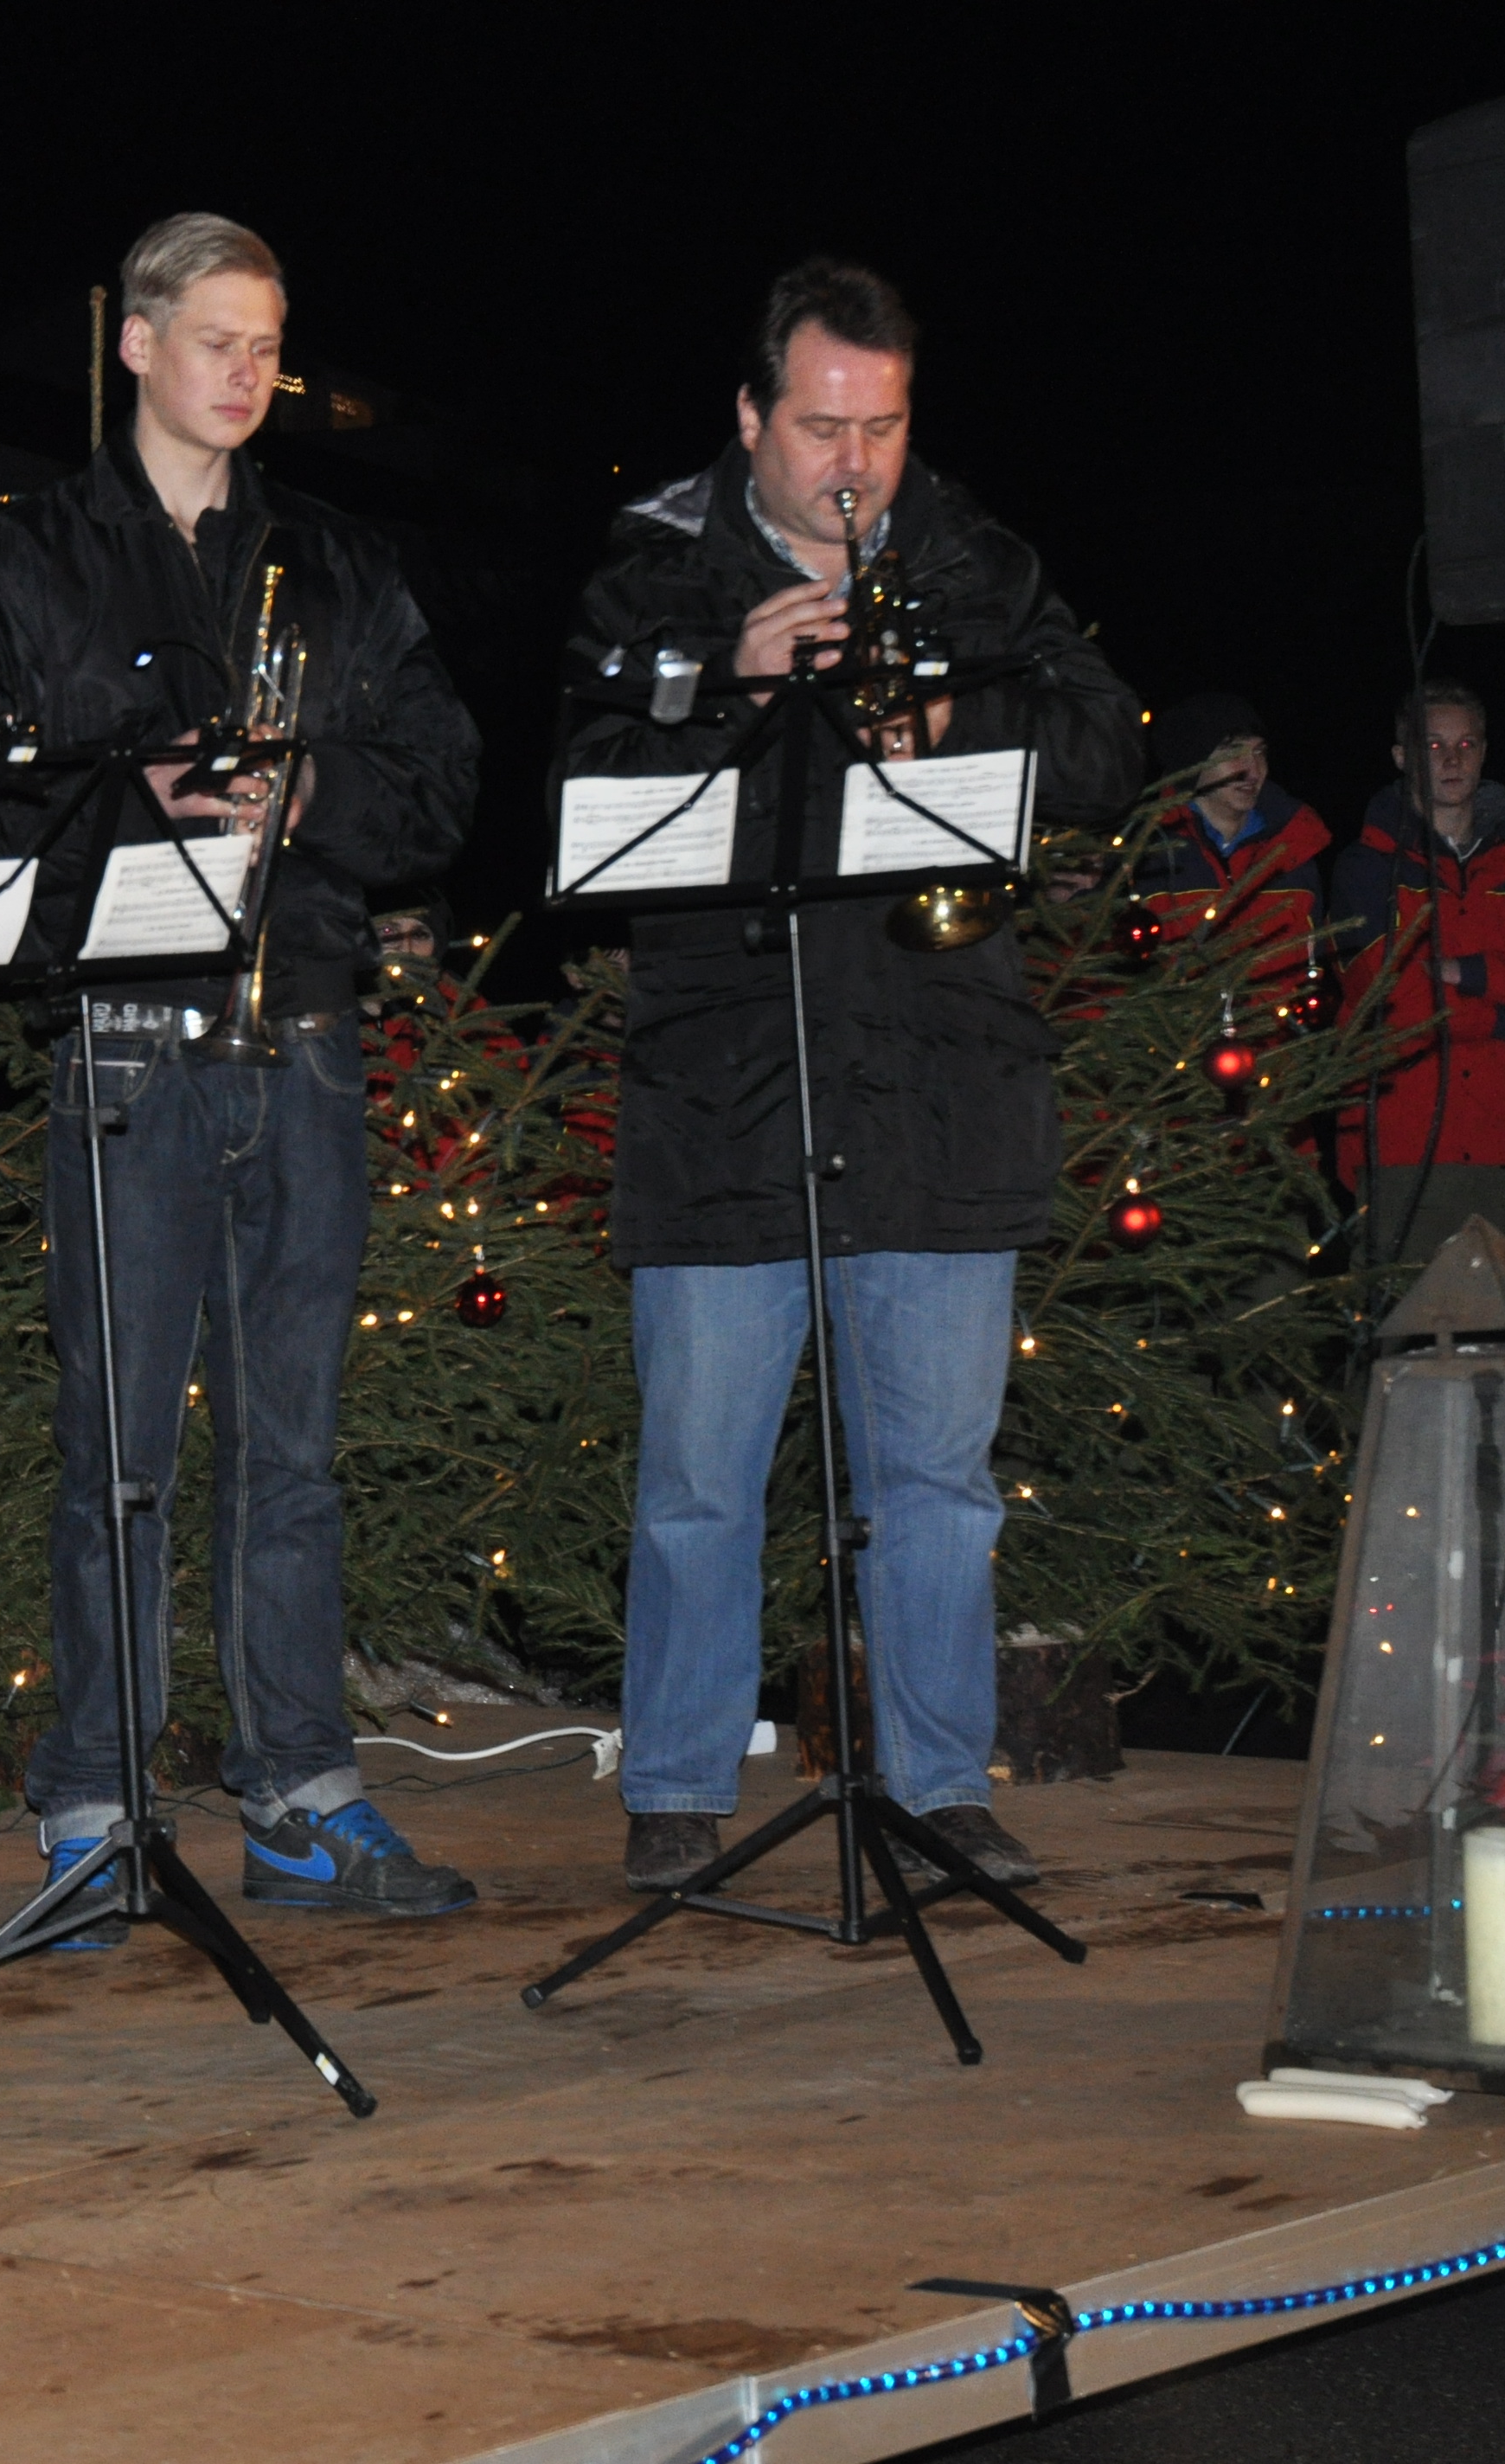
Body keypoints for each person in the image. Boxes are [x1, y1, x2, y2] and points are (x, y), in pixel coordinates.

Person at [0, 212, 480, 1938]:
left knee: (290, 1448)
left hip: (299, 1036)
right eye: (216, 339)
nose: (247, 373)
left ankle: (297, 1791)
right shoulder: (25, 557)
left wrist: (304, 793)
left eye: (267, 346)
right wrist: (134, 793)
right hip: (124, 1048)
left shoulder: (335, 561)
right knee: (116, 1451)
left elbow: (441, 777)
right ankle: (93, 1803)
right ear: (134, 341)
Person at [564, 259, 1136, 1896]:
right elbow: (579, 802)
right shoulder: (652, 579)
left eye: (880, 428)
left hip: (939, 1078)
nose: (853, 465)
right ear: (751, 416)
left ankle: (943, 1787)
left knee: (937, 1482)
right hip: (724, 1088)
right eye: (820, 428)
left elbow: (1106, 744)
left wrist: (957, 713)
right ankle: (678, 1788)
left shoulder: (972, 560)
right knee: (699, 1480)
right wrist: (724, 690)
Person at [1329, 682, 1505, 1268]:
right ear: (1401, 757)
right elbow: (1395, 1004)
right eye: (1433, 746)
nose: (1452, 759)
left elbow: (1429, 994)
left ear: (1484, 752)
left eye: (1465, 744)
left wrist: (1465, 972)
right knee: (1408, 1319)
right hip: (1405, 1154)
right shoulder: (1367, 869)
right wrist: (1503, 1019)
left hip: (1504, 1148)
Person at [1133, 693, 1329, 975]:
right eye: (1234, 753)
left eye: (1259, 752)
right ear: (1194, 761)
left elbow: (1312, 971)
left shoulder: (1293, 848)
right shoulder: (1145, 857)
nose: (1253, 771)